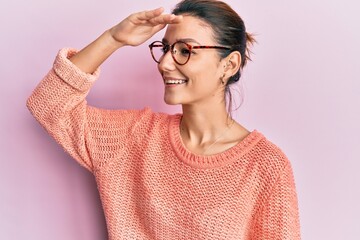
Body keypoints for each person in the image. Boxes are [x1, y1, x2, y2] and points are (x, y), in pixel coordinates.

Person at [27, 0, 301, 239]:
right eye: (166, 48)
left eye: (185, 50)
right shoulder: (134, 137)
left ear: (229, 65)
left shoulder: (265, 166)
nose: (165, 63)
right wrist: (113, 38)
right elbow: (49, 104)